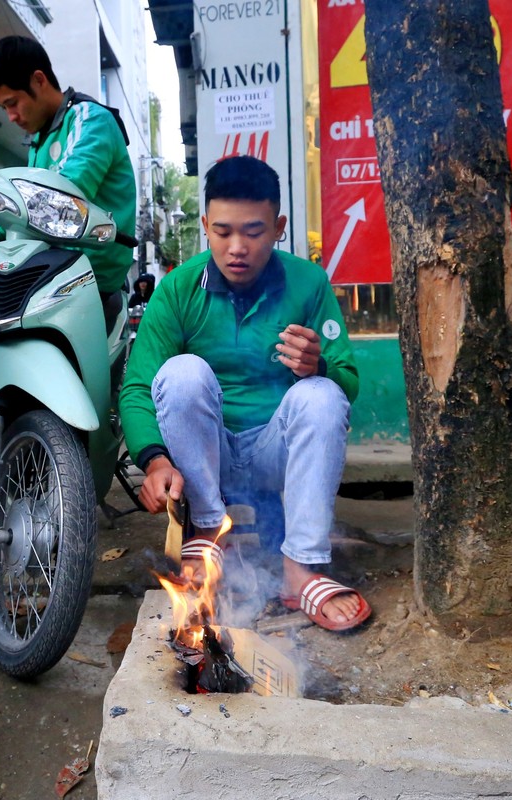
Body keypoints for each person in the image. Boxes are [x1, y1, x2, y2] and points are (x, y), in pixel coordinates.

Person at [119, 156, 369, 632]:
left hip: (275, 449)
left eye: (253, 232)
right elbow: (137, 387)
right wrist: (153, 460)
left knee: (322, 394)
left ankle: (301, 568)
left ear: (278, 227)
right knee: (182, 373)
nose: (237, 248)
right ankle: (210, 530)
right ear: (205, 227)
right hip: (203, 458)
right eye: (222, 231)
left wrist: (318, 366)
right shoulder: (177, 289)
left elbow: (348, 386)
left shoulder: (308, 283)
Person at [0, 35, 136, 298]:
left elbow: (61, 196)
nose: (11, 117)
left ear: (39, 79)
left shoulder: (91, 120)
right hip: (50, 262)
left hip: (89, 270)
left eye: (12, 103)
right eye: (4, 108)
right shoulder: (39, 140)